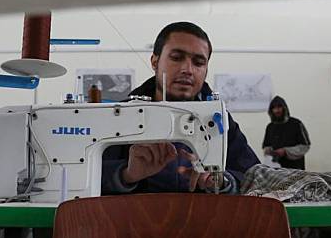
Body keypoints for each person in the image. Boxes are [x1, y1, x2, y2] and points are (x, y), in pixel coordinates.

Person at [102, 21, 259, 195]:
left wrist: (223, 182)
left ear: (206, 70)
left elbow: (252, 175)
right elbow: (87, 176)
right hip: (135, 219)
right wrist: (125, 175)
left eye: (199, 63)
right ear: (155, 61)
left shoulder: (218, 119)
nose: (187, 69)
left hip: (202, 218)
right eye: (177, 58)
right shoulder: (121, 116)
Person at [262, 96, 311, 170]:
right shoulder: (270, 127)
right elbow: (266, 146)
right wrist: (269, 151)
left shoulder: (296, 124)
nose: (276, 110)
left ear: (284, 108)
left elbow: (305, 146)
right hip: (276, 169)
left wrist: (286, 151)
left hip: (295, 168)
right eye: (274, 108)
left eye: (279, 107)